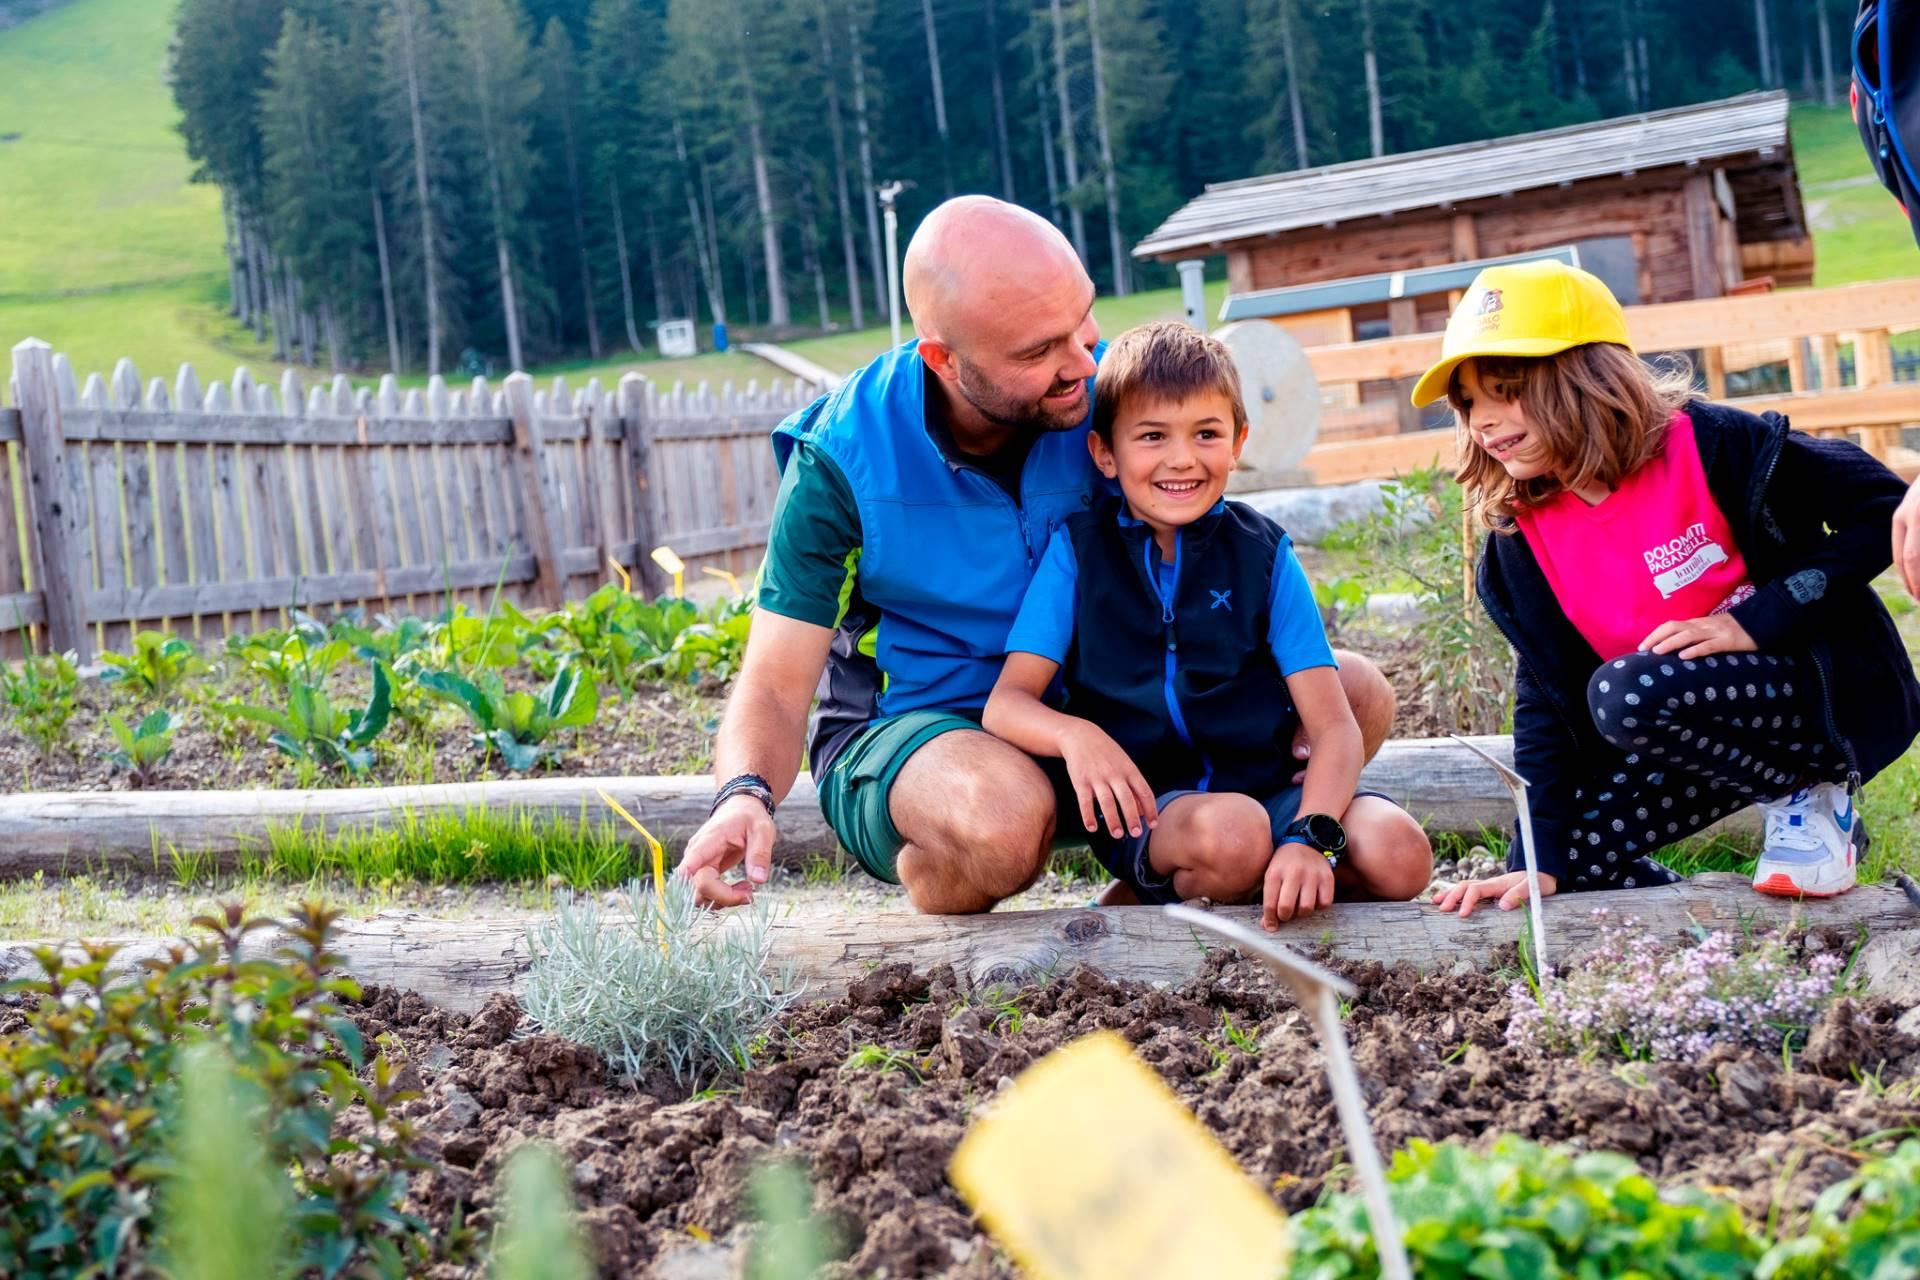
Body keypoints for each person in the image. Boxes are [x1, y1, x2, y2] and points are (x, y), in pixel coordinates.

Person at [674, 196, 1399, 914]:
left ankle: (1151, 886)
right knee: (1004, 819)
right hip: (934, 726)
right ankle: (946, 869)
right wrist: (744, 796)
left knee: (1355, 693)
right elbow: (773, 681)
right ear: (944, 360)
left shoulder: (1116, 395)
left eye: (1081, 320)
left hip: (1114, 711)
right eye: (1038, 350)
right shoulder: (838, 459)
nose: (1082, 362)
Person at [1422, 260, 1920, 918]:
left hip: (1819, 703)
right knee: (1573, 862)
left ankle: (1810, 796)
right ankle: (1703, 937)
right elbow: (1543, 700)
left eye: (1507, 389)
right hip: (1695, 739)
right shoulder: (1523, 537)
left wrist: (1761, 620)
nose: (1483, 420)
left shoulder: (1713, 445)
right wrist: (1535, 858)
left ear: (1586, 375)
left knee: (1625, 691)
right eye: (1468, 402)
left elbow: (1880, 506)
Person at [981, 322, 1432, 929]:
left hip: (1272, 792)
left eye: (1207, 434)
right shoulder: (1079, 554)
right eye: (1152, 436)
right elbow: (1006, 704)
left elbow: (1333, 727)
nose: (1182, 458)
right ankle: (1157, 889)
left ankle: (1262, 881)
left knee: (1401, 857)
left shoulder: (1264, 554)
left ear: (1238, 440)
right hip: (1158, 814)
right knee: (1235, 838)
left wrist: (1309, 836)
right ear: (1105, 454)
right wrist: (1075, 737)